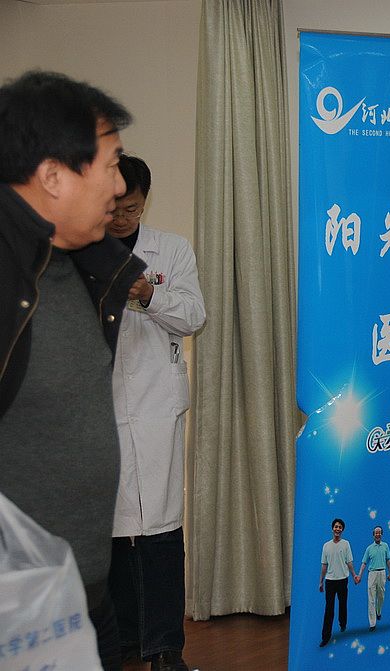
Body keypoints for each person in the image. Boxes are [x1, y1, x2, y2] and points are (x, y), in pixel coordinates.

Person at [0, 70, 146, 671]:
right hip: (18, 616)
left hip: (84, 595)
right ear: (53, 176)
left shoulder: (86, 266)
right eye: (111, 165)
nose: (121, 184)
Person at [105, 154, 206, 671]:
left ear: (145, 202)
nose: (123, 218)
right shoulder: (77, 250)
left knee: (161, 532)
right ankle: (122, 642)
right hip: (101, 410)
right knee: (112, 535)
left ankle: (166, 649)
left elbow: (194, 316)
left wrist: (150, 295)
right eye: (115, 208)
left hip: (156, 411)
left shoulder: (171, 249)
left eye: (133, 209)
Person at [318, 518, 358, 647]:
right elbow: (324, 565)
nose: (337, 529)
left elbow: (349, 562)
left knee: (342, 604)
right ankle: (325, 636)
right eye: (336, 526)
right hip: (330, 581)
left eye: (340, 527)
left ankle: (342, 623)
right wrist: (321, 582)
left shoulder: (346, 544)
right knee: (329, 609)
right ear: (332, 528)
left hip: (342, 580)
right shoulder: (326, 546)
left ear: (342, 530)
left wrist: (354, 575)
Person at [356, 526, 390, 631]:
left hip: (382, 573)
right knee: (371, 598)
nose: (378, 534)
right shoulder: (369, 548)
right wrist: (359, 575)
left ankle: (379, 611)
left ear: (382, 534)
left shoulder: (385, 546)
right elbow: (364, 563)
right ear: (373, 535)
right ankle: (372, 623)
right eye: (376, 533)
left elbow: (388, 560)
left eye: (379, 532)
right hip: (372, 574)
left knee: (381, 596)